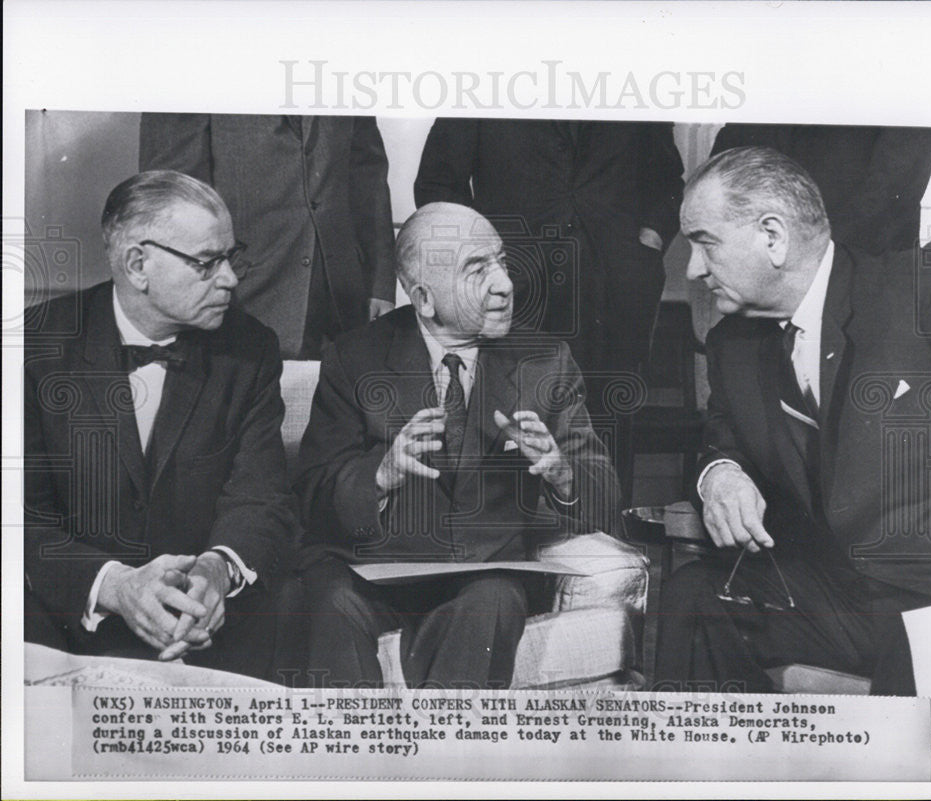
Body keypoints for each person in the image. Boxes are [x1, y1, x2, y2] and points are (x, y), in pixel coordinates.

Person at [294, 202, 621, 689]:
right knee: (324, 599)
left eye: (502, 262)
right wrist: (380, 475)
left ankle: (446, 758)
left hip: (485, 579)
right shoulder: (355, 359)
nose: (505, 285)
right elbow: (311, 496)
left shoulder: (546, 361)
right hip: (371, 573)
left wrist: (560, 472)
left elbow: (606, 498)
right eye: (477, 269)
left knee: (493, 599)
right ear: (424, 298)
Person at [653, 147, 931, 694]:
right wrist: (723, 476)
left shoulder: (921, 293)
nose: (692, 269)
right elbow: (722, 439)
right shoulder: (732, 345)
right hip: (839, 594)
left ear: (773, 236)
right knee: (694, 596)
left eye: (703, 242)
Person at [24, 170, 299, 681]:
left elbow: (261, 499)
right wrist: (113, 586)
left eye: (230, 256)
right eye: (206, 263)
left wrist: (217, 571)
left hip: (206, 631)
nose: (231, 279)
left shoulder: (251, 349)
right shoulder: (34, 346)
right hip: (65, 626)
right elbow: (17, 519)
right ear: (137, 264)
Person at [413, 119, 685, 394]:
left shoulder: (633, 80)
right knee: (505, 416)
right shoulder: (482, 79)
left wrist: (650, 240)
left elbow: (667, 183)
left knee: (605, 424)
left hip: (612, 291)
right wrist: (479, 261)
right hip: (511, 286)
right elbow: (438, 183)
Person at [140, 114, 397, 359]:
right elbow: (171, 198)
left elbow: (368, 176)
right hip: (236, 300)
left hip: (342, 305)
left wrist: (380, 284)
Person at [710, 124, 931, 255]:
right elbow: (731, 154)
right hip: (764, 260)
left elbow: (893, 185)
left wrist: (811, 249)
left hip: (858, 260)